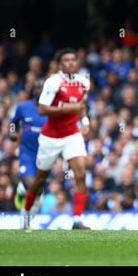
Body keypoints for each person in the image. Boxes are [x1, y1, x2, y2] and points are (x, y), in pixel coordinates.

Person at [23, 48, 91, 230]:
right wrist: (70, 108)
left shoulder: (83, 83)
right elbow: (42, 109)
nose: (70, 63)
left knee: (81, 174)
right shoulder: (53, 82)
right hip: (50, 138)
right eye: (66, 60)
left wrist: (85, 122)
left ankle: (77, 220)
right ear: (60, 64)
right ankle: (27, 212)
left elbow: (81, 106)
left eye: (73, 60)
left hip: (72, 135)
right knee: (40, 179)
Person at [10, 81, 47, 214]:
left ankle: (27, 215)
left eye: (41, 88)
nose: (39, 90)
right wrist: (12, 132)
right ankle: (23, 191)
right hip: (27, 153)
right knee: (31, 184)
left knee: (39, 190)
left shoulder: (52, 110)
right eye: (36, 87)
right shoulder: (23, 107)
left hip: (45, 155)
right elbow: (13, 123)